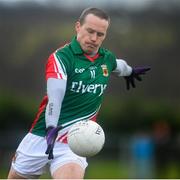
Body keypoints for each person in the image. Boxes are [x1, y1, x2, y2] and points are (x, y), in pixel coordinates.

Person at [7, 7, 150, 179]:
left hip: (74, 141)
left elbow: (119, 66)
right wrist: (51, 128)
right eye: (90, 31)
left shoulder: (106, 59)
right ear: (78, 27)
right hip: (42, 135)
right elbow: (55, 98)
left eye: (100, 34)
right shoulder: (61, 58)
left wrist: (131, 71)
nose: (94, 39)